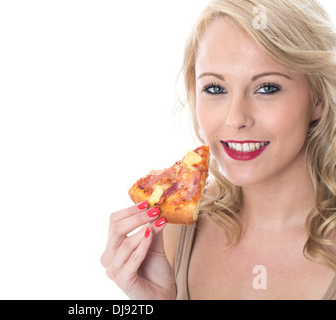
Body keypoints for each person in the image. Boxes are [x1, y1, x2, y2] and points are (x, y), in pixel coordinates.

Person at [100, 0, 336, 300]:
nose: (235, 118)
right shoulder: (175, 232)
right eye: (215, 89)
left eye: (266, 88)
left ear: (318, 98)